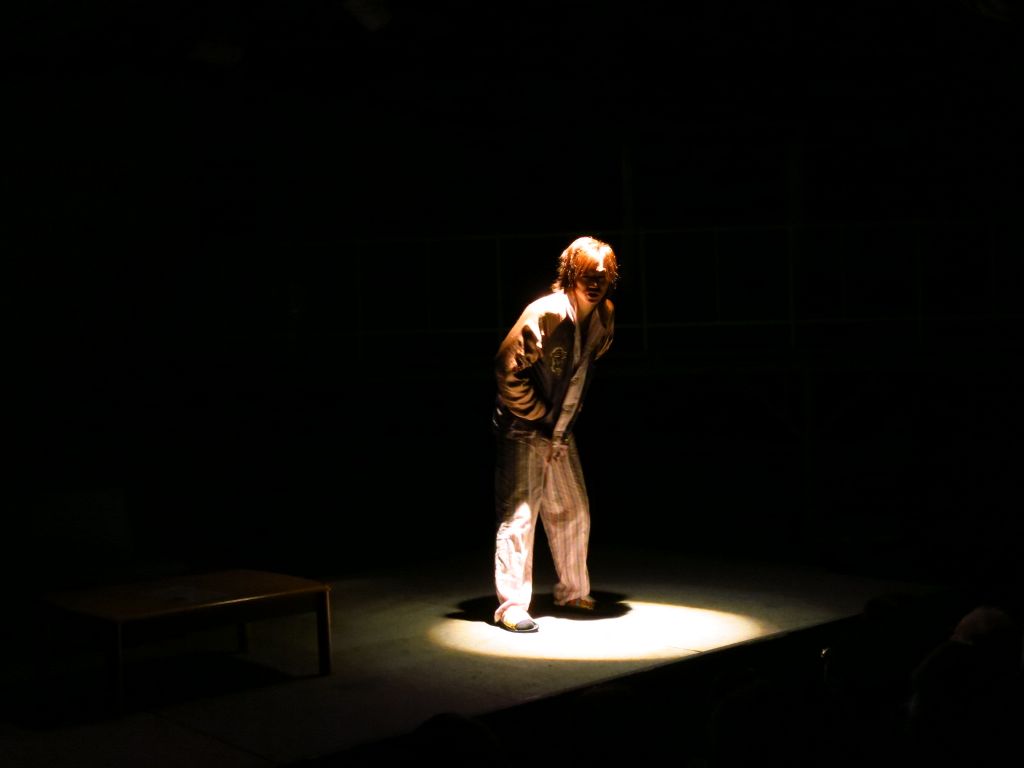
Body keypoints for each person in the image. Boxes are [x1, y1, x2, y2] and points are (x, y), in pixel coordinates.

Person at [491, 235, 619, 633]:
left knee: (573, 510)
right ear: (571, 274)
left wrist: (559, 422)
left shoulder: (603, 316)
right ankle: (512, 606)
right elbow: (506, 368)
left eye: (602, 275)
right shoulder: (545, 313)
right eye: (587, 275)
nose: (595, 283)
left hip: (560, 430)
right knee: (520, 516)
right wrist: (537, 412)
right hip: (524, 426)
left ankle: (573, 591)